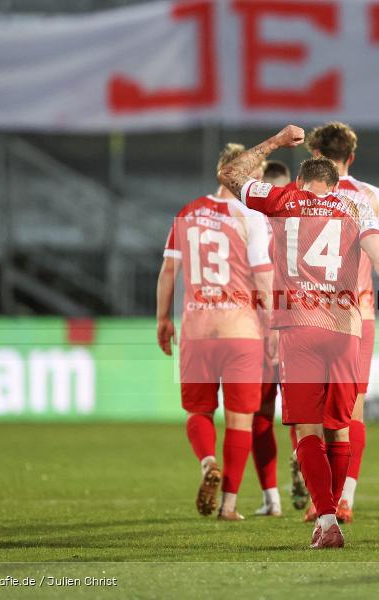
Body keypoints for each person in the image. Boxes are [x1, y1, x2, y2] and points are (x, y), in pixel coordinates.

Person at [217, 125, 379, 549]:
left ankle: (326, 521)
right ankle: (343, 499)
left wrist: (273, 143)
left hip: (300, 329)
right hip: (349, 328)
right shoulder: (358, 207)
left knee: (306, 429)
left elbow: (231, 175)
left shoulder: (283, 198)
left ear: (303, 180)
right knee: (341, 426)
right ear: (333, 182)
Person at [155, 144, 273, 521]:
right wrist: (275, 328)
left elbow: (168, 273)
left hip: (197, 328)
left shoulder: (187, 213)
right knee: (240, 419)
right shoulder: (251, 218)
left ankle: (208, 463)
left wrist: (163, 319)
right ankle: (229, 505)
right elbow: (265, 280)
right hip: (241, 329)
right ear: (247, 176)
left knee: (199, 411)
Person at [300, 121, 379, 523]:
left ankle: (317, 499)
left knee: (307, 412)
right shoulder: (371, 196)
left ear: (314, 155)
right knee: (351, 413)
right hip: (356, 316)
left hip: (305, 314)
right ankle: (345, 498)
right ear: (351, 157)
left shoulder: (300, 193)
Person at [252, 160, 292, 517]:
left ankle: (271, 497)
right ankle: (303, 468)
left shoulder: (252, 221)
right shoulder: (302, 218)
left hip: (260, 330)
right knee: (301, 411)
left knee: (261, 414)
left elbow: (262, 282)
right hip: (301, 326)